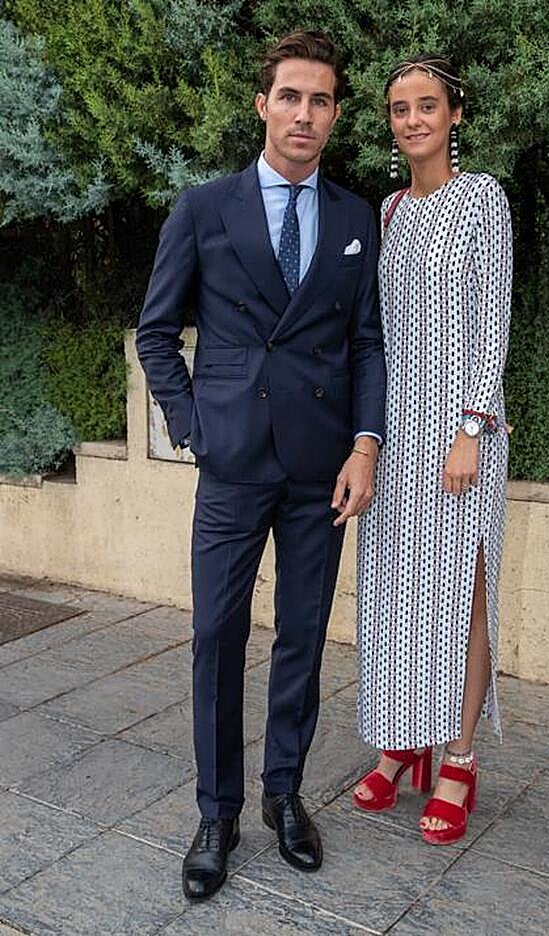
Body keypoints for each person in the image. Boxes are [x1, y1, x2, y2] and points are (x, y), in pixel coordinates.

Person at [136, 31, 385, 900]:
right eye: (291, 96)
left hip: (322, 467)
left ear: (335, 114)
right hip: (233, 462)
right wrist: (194, 426)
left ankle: (284, 797)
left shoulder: (357, 219)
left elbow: (365, 345)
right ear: (263, 104)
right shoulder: (204, 209)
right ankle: (218, 811)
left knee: (303, 639)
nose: (304, 114)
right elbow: (157, 335)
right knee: (216, 637)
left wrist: (366, 445)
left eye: (320, 100)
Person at [353, 54, 512, 845]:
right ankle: (402, 741)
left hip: (462, 435)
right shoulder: (386, 213)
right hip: (399, 430)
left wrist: (472, 427)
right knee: (398, 594)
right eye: (398, 108)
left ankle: (459, 754)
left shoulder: (482, 198)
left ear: (455, 113)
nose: (412, 119)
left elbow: (495, 320)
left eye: (427, 105)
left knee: (464, 591)